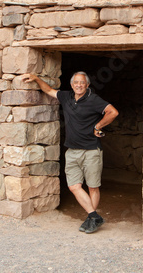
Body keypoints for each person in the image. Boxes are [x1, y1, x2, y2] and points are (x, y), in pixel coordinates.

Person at [21, 71, 118, 233]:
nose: (79, 85)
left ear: (87, 85)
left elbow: (113, 112)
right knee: (74, 186)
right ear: (72, 85)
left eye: (82, 83)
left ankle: (91, 220)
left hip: (91, 150)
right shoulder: (66, 97)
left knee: (93, 187)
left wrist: (98, 126)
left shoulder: (94, 100)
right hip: (72, 151)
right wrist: (37, 79)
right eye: (76, 83)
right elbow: (49, 91)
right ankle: (94, 216)